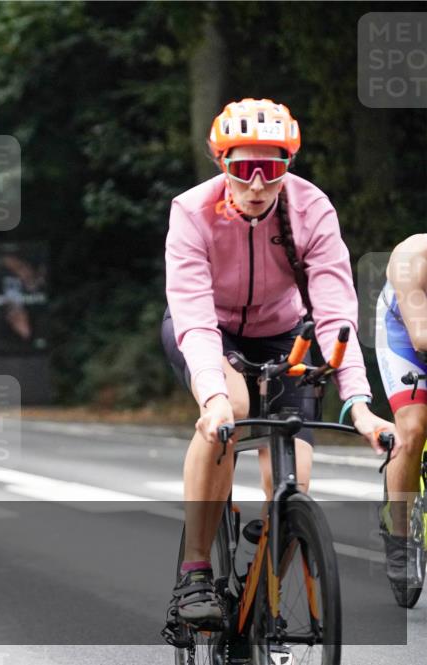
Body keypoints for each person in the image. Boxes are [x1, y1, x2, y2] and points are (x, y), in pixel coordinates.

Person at [161, 98, 400, 627]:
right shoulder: (191, 212)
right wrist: (214, 397)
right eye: (243, 169)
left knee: (296, 479)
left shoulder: (311, 207)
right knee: (230, 413)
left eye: (270, 170)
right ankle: (196, 573)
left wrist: (359, 404)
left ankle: (264, 591)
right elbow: (195, 321)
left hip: (284, 336)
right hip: (210, 331)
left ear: (286, 166)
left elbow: (336, 313)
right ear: (222, 163)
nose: (256, 185)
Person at [375, 234, 427, 589]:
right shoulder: (411, 257)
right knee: (412, 430)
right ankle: (399, 538)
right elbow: (421, 338)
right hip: (405, 334)